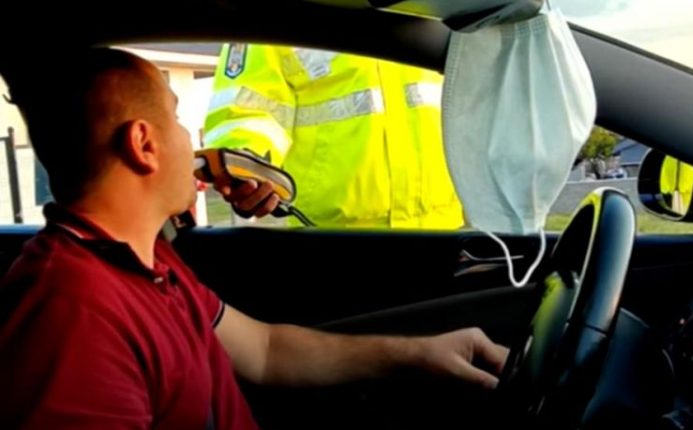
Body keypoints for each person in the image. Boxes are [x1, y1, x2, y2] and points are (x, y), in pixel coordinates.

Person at [0, 48, 508, 429]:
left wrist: (421, 354)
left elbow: (264, 351)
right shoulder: (71, 311)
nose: (193, 139)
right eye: (176, 118)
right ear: (144, 144)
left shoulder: (149, 262)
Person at [204, 43, 464, 229]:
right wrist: (245, 170)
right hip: (330, 240)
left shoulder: (436, 6)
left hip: (444, 232)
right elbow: (246, 111)